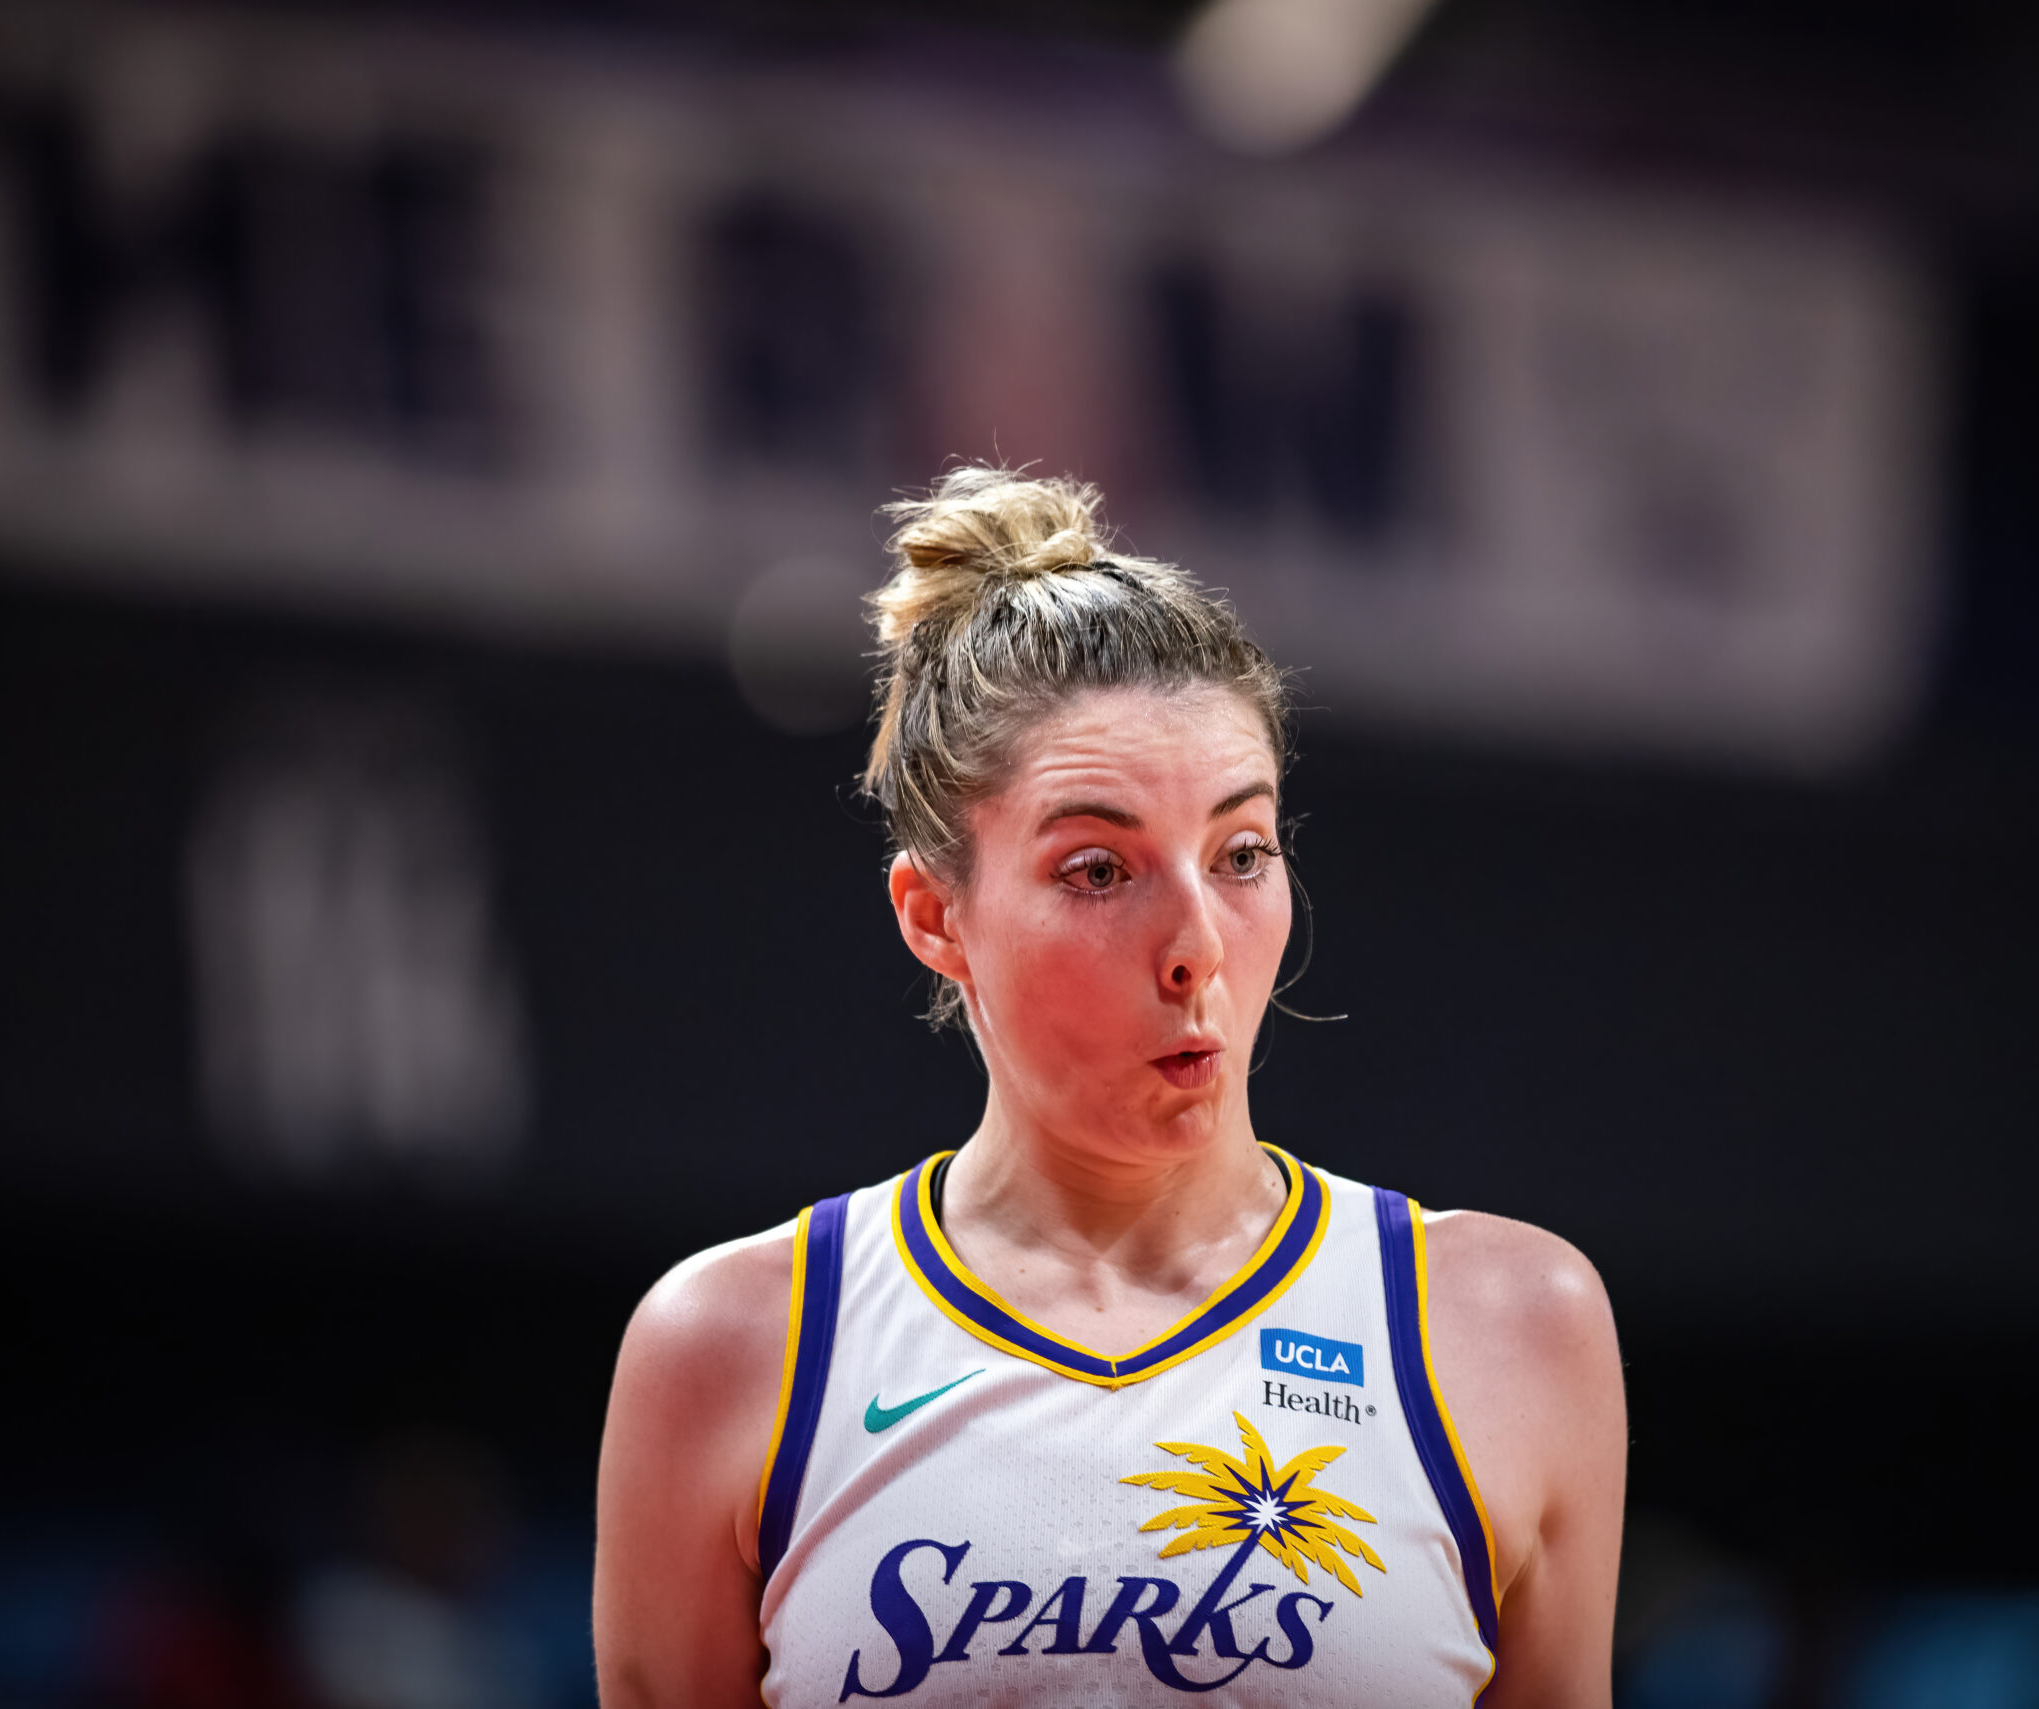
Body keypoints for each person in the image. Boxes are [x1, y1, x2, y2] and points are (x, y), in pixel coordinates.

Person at [594, 467, 1626, 1707]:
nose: (1195, 939)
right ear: (935, 914)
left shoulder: (1509, 1324)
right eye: (1097, 868)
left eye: (1242, 853)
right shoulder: (734, 1346)